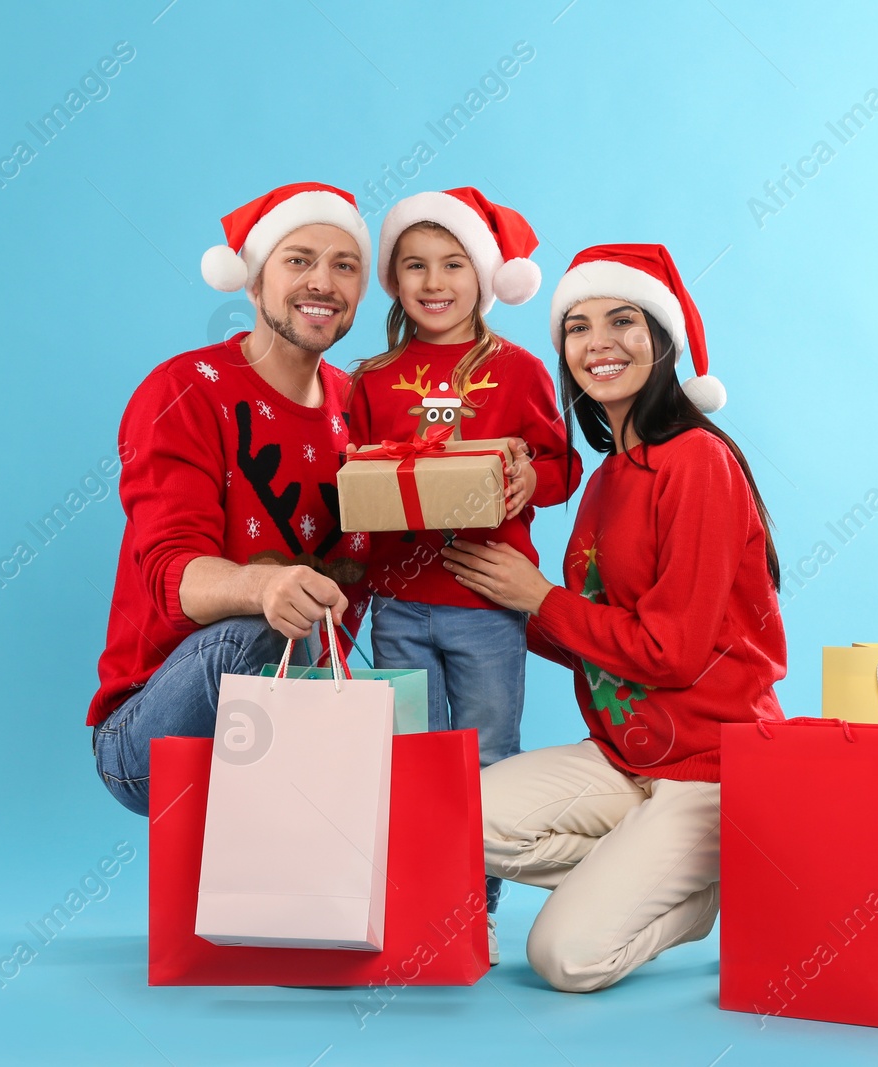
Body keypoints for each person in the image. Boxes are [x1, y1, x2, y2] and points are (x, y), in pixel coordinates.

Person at [440, 244, 787, 992]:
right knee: (446, 814)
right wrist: (483, 586)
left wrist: (537, 597)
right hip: (624, 759)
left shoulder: (696, 461)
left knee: (565, 957)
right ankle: (646, 864)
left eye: (622, 320)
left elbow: (671, 651)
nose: (597, 343)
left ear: (660, 340)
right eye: (577, 327)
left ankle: (701, 888)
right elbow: (595, 632)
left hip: (712, 768)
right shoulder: (606, 479)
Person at [88, 181, 375, 816]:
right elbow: (172, 577)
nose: (322, 282)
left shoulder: (364, 409)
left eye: (344, 264)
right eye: (298, 260)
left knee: (434, 645)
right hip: (157, 729)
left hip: (312, 713)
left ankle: (459, 904)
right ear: (252, 279)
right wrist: (264, 588)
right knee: (257, 632)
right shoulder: (184, 391)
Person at [347, 189, 581, 962]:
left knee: (486, 758)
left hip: (485, 601)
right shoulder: (371, 378)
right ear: (393, 280)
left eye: (453, 263)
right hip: (400, 604)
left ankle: (470, 913)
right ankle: (420, 900)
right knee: (412, 755)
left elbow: (562, 465)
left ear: (484, 277)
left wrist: (525, 477)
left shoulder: (513, 370)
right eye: (414, 265)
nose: (434, 280)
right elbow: (350, 482)